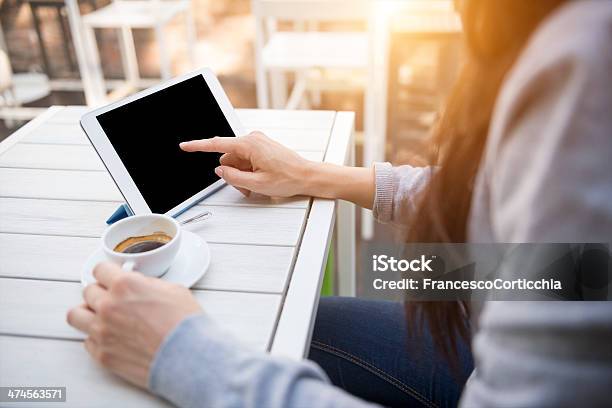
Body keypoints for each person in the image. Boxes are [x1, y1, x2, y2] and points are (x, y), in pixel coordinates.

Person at [67, 0, 612, 407]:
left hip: (478, 360)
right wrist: (310, 174)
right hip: (487, 314)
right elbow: (503, 198)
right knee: (298, 320)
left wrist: (188, 359)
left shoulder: (584, 57)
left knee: (265, 331)